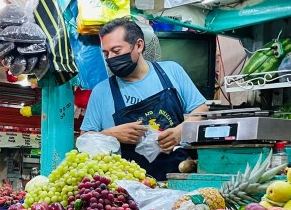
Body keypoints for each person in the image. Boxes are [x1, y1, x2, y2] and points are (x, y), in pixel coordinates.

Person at [80, 18, 209, 180]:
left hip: (180, 178)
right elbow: (84, 140)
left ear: (139, 45)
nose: (111, 58)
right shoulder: (101, 91)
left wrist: (179, 132)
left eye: (116, 51)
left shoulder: (171, 71)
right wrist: (109, 134)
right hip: (129, 188)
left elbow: (202, 111)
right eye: (106, 53)